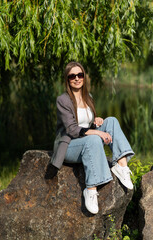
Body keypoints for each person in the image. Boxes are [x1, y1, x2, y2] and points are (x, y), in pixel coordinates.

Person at [45, 61, 135, 214]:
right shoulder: (63, 100)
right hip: (69, 146)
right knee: (94, 138)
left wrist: (96, 121)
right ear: (67, 79)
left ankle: (121, 165)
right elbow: (72, 129)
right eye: (72, 76)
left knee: (111, 120)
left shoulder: (88, 97)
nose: (77, 78)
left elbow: (86, 123)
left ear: (84, 77)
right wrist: (98, 133)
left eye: (80, 75)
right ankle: (90, 190)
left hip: (86, 140)